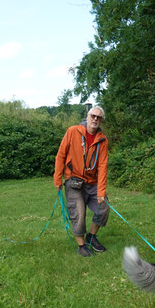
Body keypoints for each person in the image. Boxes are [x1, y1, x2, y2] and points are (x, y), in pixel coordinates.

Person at [54, 106, 110, 257]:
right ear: (88, 116)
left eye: (99, 117)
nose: (95, 119)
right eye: (93, 116)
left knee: (103, 207)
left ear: (101, 121)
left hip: (92, 182)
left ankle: (91, 237)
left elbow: (103, 166)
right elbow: (60, 155)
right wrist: (57, 178)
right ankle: (81, 245)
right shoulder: (73, 131)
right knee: (78, 211)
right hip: (74, 180)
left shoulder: (103, 140)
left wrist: (101, 191)